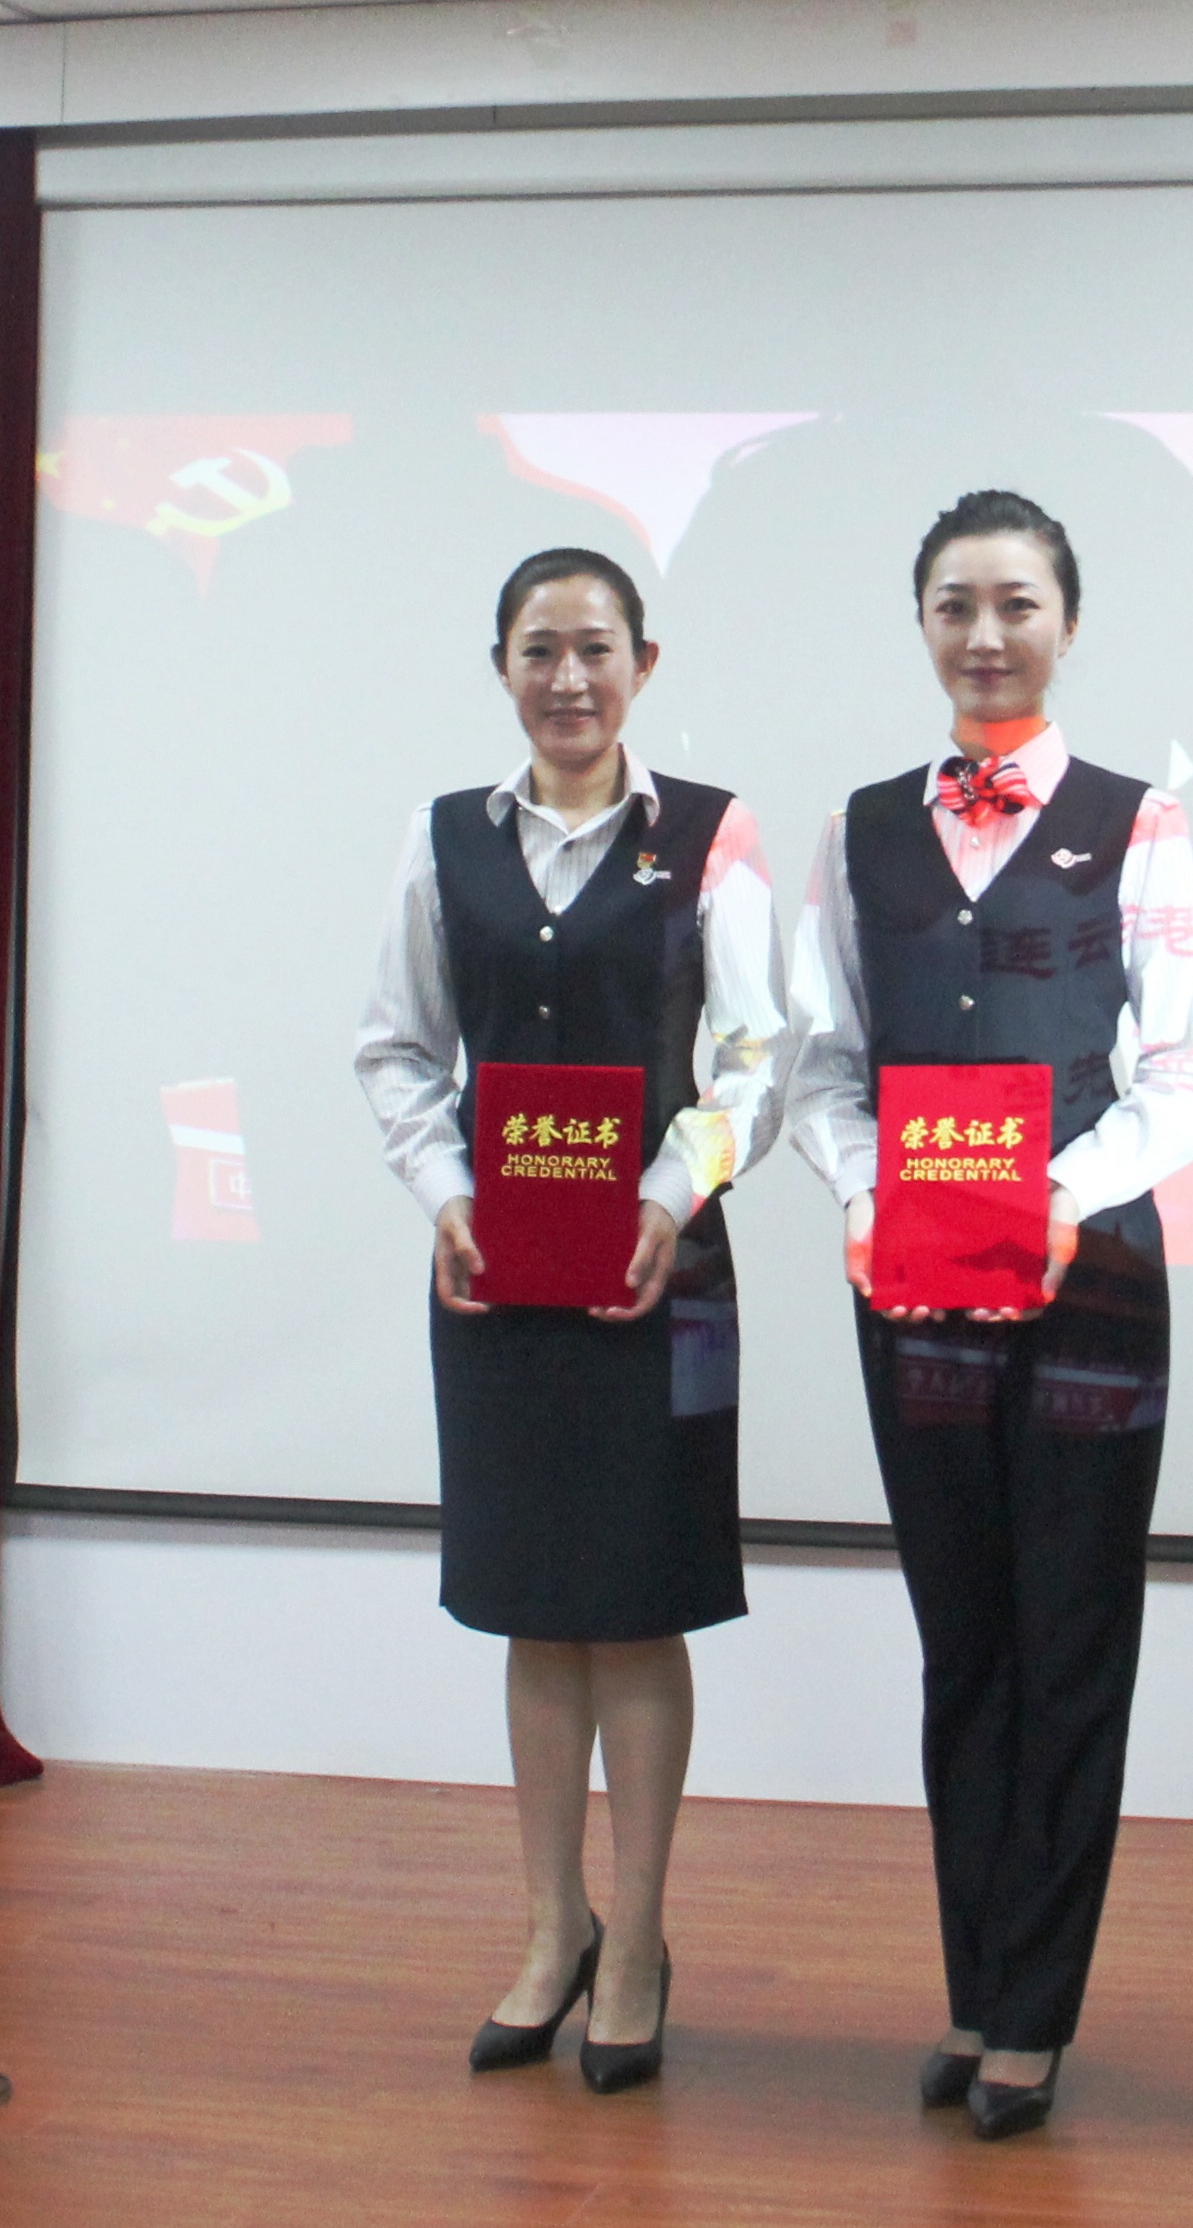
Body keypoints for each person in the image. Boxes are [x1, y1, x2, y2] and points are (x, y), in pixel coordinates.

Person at [782, 489, 1193, 2144]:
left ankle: (1035, 2010)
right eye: (955, 603)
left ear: (1066, 622)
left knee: (1073, 1637)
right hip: (915, 1281)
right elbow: (826, 1065)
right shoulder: (859, 830)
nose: (985, 632)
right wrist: (864, 1184)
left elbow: (1180, 1070)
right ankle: (974, 1984)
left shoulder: (1139, 822)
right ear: (921, 623)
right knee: (962, 1634)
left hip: (1090, 1280)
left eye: (1016, 602)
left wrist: (1059, 1194)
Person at [352, 547, 781, 2094]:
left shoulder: (711, 836)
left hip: (661, 1273)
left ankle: (641, 1939)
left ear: (642, 664)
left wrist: (669, 1193)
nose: (568, 676)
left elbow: (756, 1057)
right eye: (538, 648)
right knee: (535, 1602)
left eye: (595, 646)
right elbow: (395, 1049)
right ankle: (554, 1928)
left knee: (637, 1602)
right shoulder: (443, 839)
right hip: (496, 1277)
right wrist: (443, 1191)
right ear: (502, 667)